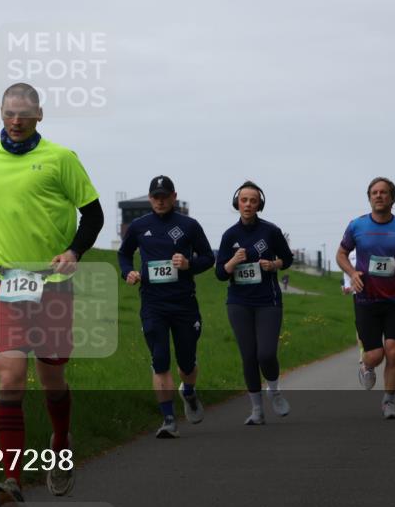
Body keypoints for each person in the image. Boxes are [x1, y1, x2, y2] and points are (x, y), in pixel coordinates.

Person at [0, 83, 104, 507]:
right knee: (11, 377)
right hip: (3, 279)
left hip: (52, 283)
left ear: (40, 115)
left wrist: (74, 251)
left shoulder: (61, 159)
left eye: (23, 114)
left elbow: (93, 213)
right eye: (8, 113)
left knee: (51, 378)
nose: (15, 121)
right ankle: (12, 479)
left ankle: (60, 443)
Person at [118, 175, 215, 438]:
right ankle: (169, 419)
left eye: (164, 197)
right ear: (150, 199)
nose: (160, 202)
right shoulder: (139, 226)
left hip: (184, 303)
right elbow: (124, 254)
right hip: (152, 303)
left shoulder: (189, 226)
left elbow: (208, 258)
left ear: (173, 197)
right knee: (160, 360)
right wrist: (127, 272)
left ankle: (189, 392)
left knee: (186, 364)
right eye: (155, 197)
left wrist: (188, 264)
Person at [336, 177, 395, 420]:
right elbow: (341, 253)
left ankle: (389, 401)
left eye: (383, 192)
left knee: (394, 351)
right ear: (369, 197)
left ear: (392, 198)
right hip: (366, 298)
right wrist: (352, 273)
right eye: (374, 192)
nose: (378, 196)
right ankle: (366, 364)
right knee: (376, 355)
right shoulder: (357, 226)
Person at [215, 181, 294, 425]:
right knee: (248, 355)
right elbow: (220, 273)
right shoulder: (230, 235)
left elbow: (288, 259)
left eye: (253, 200)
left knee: (266, 353)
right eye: (244, 200)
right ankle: (257, 410)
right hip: (239, 302)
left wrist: (274, 265)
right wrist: (232, 262)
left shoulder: (270, 231)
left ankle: (274, 390)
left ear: (259, 204)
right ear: (237, 203)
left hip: (267, 300)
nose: (248, 204)